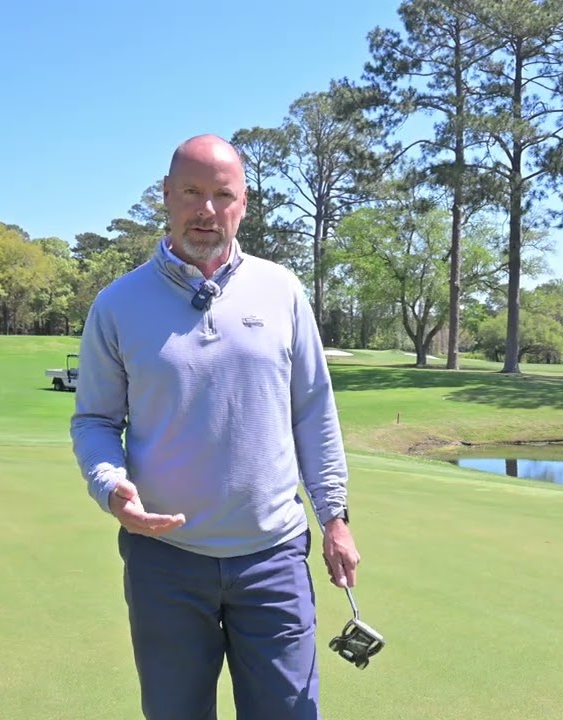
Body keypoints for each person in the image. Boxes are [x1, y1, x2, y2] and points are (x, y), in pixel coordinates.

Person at [70, 133, 361, 720]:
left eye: (222, 194)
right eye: (192, 193)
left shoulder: (282, 290)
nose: (207, 209)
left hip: (273, 557)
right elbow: (96, 420)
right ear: (167, 196)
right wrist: (111, 487)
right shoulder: (118, 303)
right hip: (165, 560)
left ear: (243, 203)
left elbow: (313, 410)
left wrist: (335, 517)